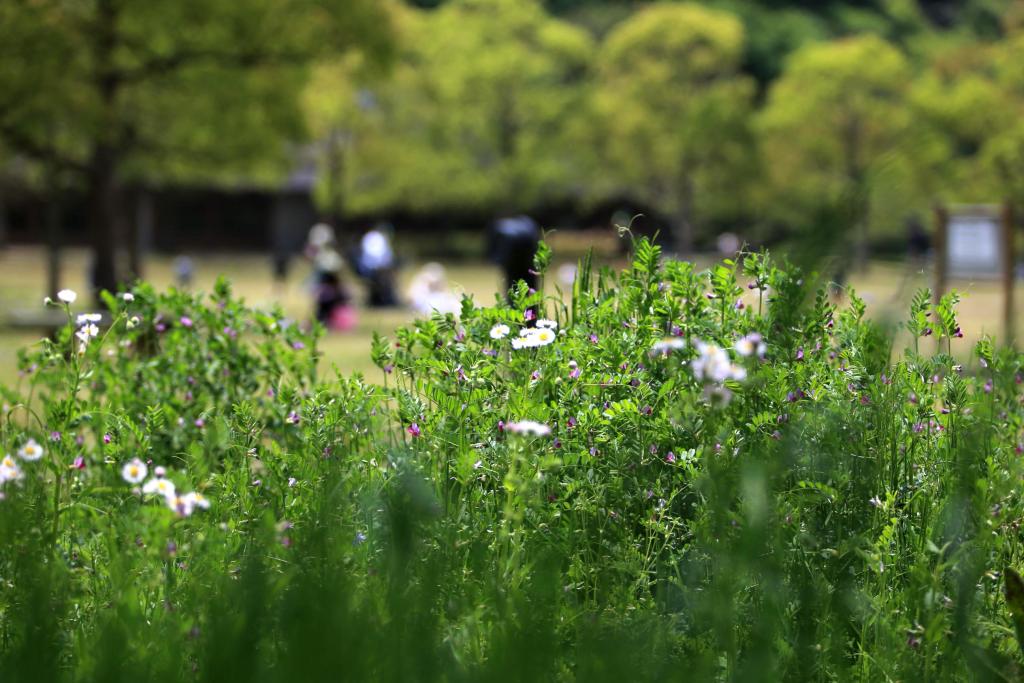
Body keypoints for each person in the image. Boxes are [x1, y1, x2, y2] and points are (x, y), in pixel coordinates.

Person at [304, 223, 355, 331]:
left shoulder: (328, 258)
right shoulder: (326, 257)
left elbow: (335, 278)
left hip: (330, 294)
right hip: (328, 295)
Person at [487, 215, 540, 295]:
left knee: (514, 290)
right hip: (527, 259)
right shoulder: (527, 226)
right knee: (530, 290)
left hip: (513, 260)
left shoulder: (501, 230)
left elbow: (495, 256)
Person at [356, 223, 398, 307]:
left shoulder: (381, 239)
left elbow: (388, 256)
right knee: (384, 275)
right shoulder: (373, 237)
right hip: (369, 268)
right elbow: (373, 256)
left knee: (388, 275)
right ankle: (384, 299)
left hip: (379, 268)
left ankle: (387, 299)